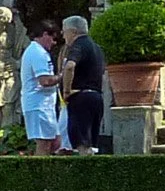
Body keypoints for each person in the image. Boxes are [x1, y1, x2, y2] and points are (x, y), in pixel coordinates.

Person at [60, 15, 107, 153]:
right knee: (91, 144)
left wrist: (66, 91)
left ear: (73, 31)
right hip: (96, 97)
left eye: (65, 31)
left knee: (81, 144)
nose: (63, 36)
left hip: (81, 98)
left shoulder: (78, 45)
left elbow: (70, 66)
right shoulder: (97, 48)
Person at [19, 20, 63, 155]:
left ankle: (43, 166)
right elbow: (45, 80)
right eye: (53, 38)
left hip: (44, 105)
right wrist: (62, 76)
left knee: (55, 142)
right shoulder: (37, 53)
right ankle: (39, 167)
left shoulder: (37, 51)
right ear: (45, 35)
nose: (54, 43)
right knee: (44, 143)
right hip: (38, 105)